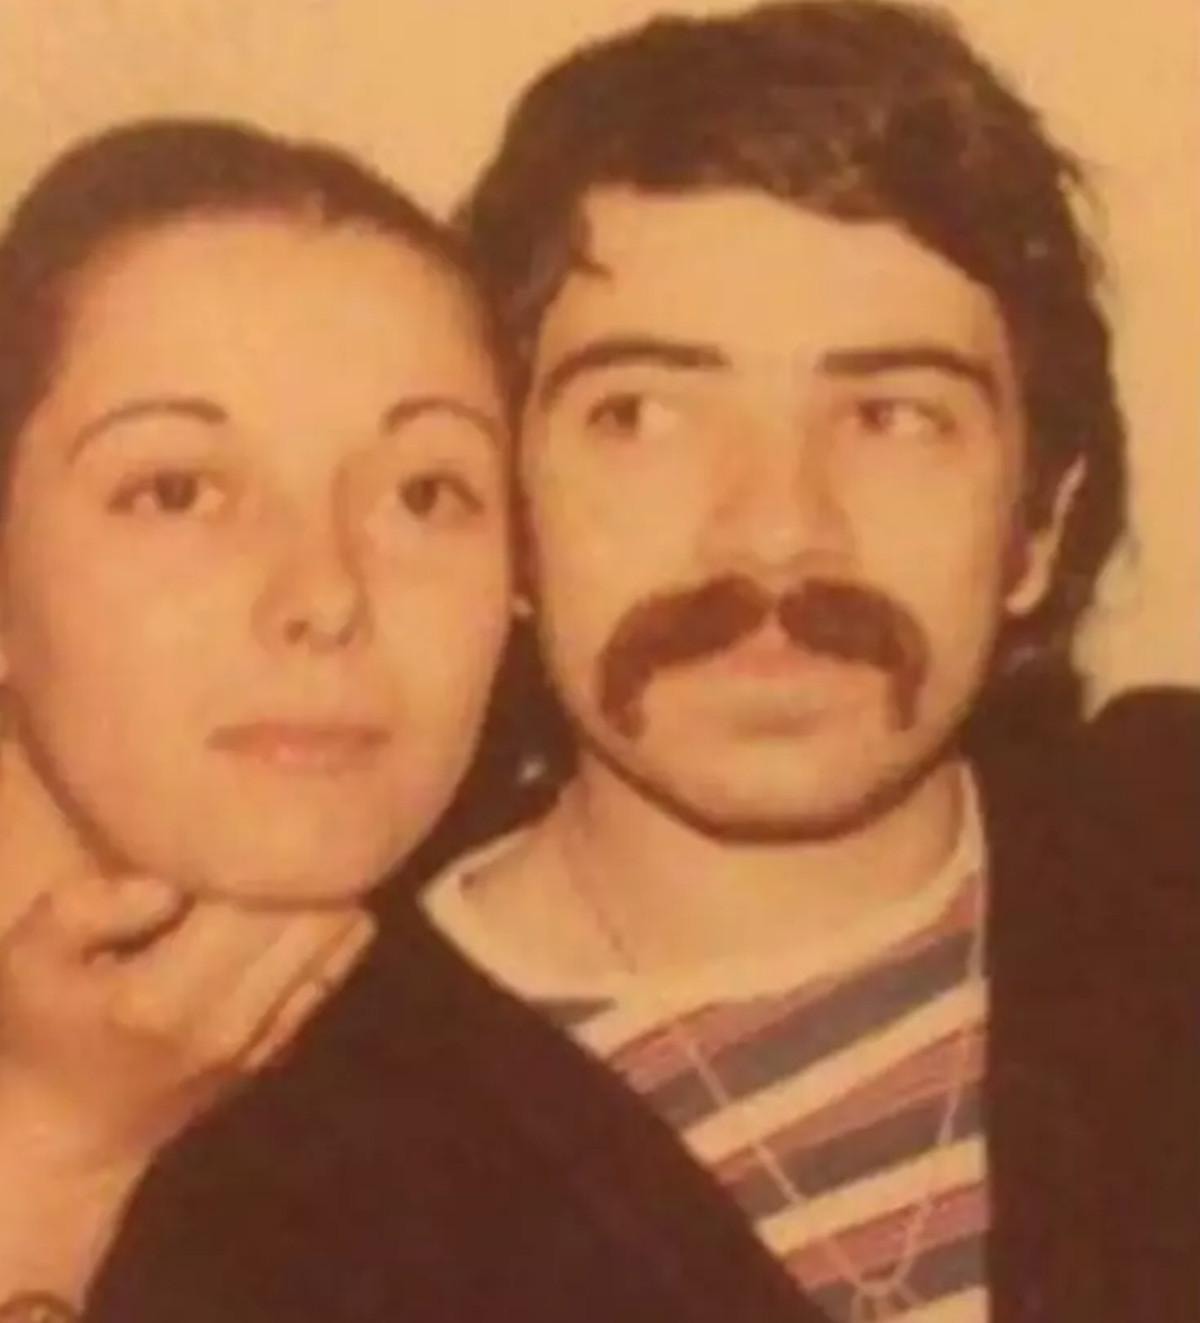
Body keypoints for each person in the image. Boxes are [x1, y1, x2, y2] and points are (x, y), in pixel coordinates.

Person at [434, 3, 1200, 1320]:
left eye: (894, 415)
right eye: (643, 414)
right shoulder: (285, 1147)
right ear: (501, 510)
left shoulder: (1169, 850)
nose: (779, 526)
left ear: (1037, 527)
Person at [0, 117, 823, 1323]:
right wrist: (49, 1153)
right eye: (176, 490)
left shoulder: (548, 1163)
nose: (326, 592)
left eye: (427, 494)